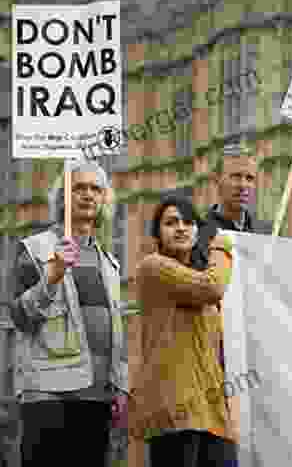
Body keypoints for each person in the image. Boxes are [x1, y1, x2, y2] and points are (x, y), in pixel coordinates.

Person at [9, 159, 128, 467]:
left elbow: (115, 334)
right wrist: (53, 274)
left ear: (104, 200)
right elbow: (20, 317)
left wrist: (120, 387)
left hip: (96, 399)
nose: (88, 195)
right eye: (79, 188)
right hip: (49, 398)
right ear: (62, 197)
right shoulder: (35, 250)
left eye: (95, 189)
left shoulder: (111, 265)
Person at [130, 196, 238, 467]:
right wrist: (223, 247)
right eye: (170, 222)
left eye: (188, 222)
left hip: (212, 411)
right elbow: (211, 287)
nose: (180, 228)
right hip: (173, 410)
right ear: (157, 233)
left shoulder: (196, 276)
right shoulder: (152, 267)